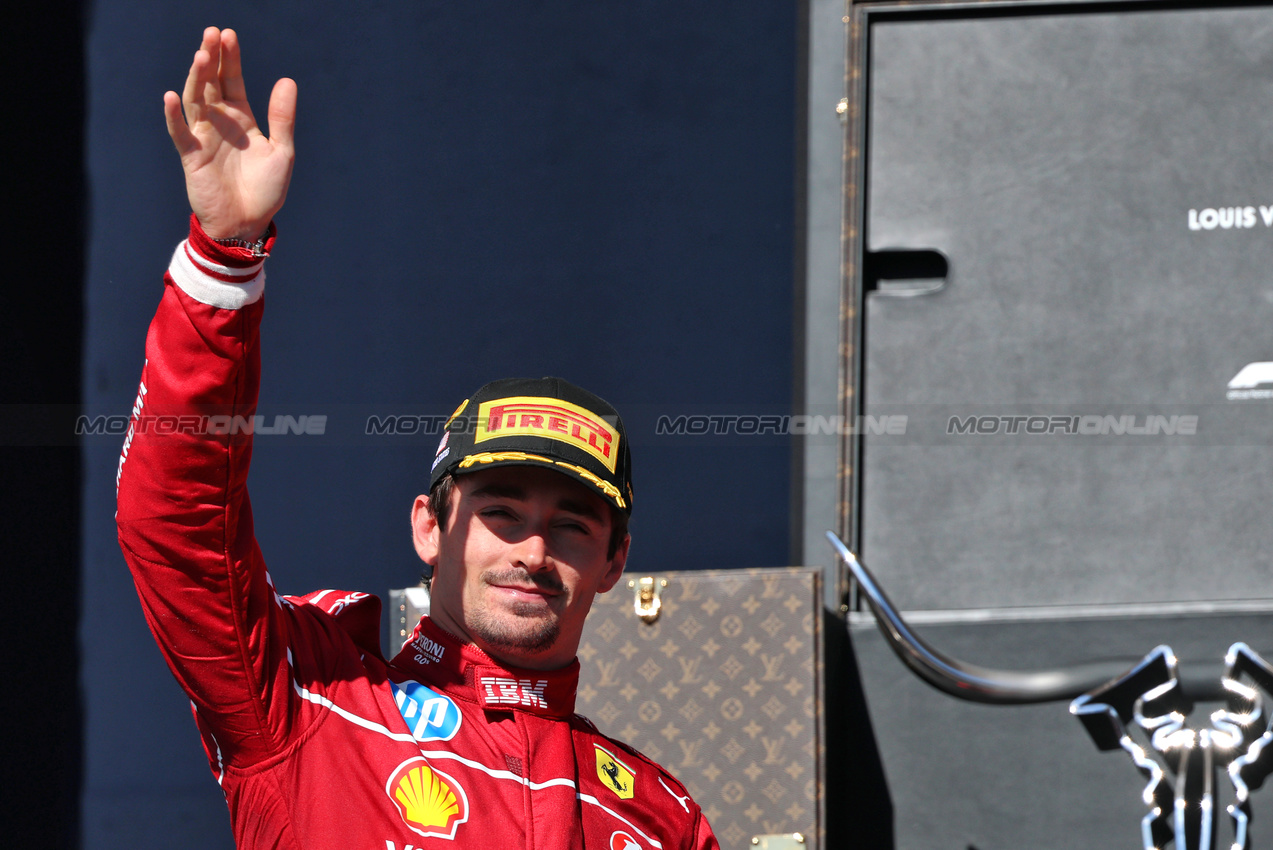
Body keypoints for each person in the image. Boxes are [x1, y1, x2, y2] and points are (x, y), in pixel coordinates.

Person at [115, 27, 719, 850]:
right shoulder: (309, 697)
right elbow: (176, 526)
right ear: (429, 529)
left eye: (573, 525)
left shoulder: (658, 816)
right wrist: (224, 259)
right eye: (501, 512)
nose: (533, 552)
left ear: (614, 561)